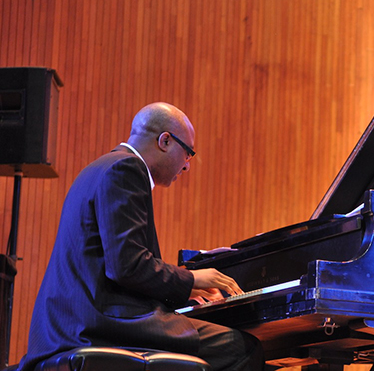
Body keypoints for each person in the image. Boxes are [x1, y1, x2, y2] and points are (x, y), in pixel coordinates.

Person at [18, 103, 261, 371]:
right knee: (242, 348)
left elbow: (116, 264)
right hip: (99, 327)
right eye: (188, 153)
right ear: (165, 141)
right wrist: (191, 278)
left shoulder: (101, 167)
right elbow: (127, 265)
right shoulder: (126, 169)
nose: (187, 166)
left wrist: (184, 289)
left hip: (69, 325)